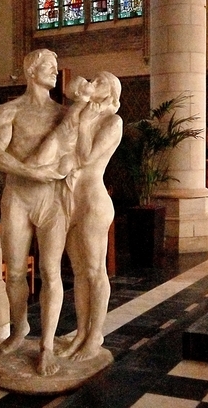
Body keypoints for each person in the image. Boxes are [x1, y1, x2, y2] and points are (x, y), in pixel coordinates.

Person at [0, 48, 70, 376]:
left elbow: (73, 156)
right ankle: (19, 327)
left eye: (55, 65)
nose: (55, 71)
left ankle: (47, 345)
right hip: (18, 199)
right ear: (31, 71)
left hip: (51, 202)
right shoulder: (9, 110)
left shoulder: (63, 114)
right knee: (17, 271)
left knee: (51, 272)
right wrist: (33, 171)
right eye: (49, 66)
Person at [60, 71, 123, 361]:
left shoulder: (113, 121)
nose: (91, 84)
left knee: (95, 271)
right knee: (79, 272)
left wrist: (84, 126)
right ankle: (81, 331)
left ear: (110, 93)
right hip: (71, 201)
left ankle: (95, 334)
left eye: (99, 82)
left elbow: (86, 159)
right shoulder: (83, 114)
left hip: (93, 202)